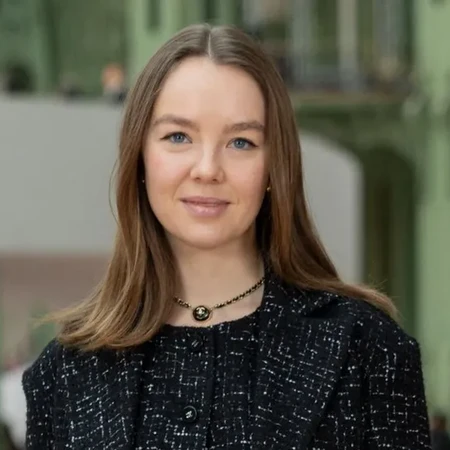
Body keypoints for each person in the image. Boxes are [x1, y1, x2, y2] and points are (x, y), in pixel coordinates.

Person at [22, 23, 431, 449]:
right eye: (178, 137)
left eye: (240, 142)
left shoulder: (367, 350)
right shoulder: (64, 374)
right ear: (140, 157)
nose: (207, 169)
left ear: (274, 166)